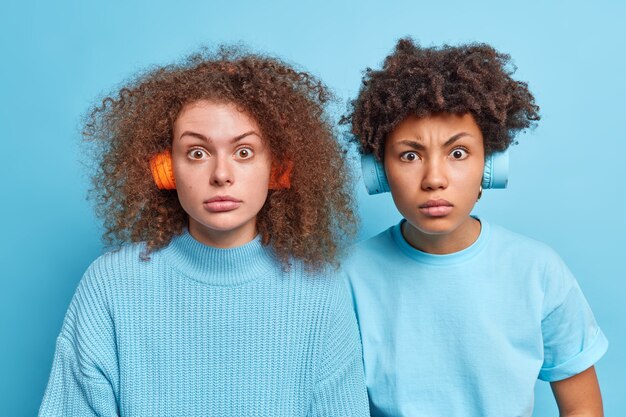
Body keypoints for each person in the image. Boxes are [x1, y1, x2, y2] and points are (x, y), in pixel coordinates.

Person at [39, 46, 369, 417]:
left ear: (278, 168)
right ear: (165, 169)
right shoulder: (110, 285)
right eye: (197, 153)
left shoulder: (321, 291)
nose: (221, 174)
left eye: (244, 152)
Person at [341, 38, 607, 417]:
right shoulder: (348, 277)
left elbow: (583, 408)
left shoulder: (538, 271)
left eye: (458, 153)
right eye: (410, 155)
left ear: (490, 167)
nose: (434, 179)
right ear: (380, 171)